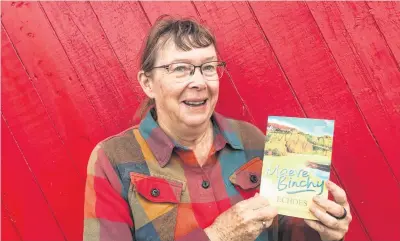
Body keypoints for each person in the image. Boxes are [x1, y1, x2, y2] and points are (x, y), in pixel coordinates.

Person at [83, 15, 352, 241]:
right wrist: (218, 235)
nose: (199, 81)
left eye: (208, 67)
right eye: (180, 69)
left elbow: (289, 233)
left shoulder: (252, 140)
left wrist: (325, 229)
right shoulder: (114, 158)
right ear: (147, 83)